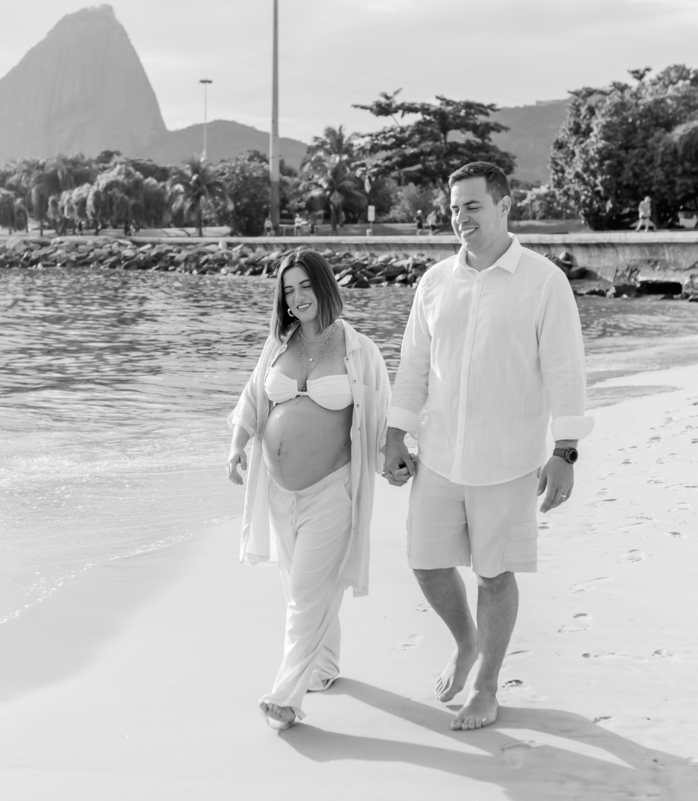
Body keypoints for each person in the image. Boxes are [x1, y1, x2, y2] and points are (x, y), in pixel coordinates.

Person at [382, 161, 594, 731]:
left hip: (509, 460)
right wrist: (393, 433)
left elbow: (565, 371)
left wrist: (565, 450)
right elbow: (414, 368)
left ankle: (487, 685)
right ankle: (465, 642)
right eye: (453, 209)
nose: (460, 219)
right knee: (426, 563)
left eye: (472, 206)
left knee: (495, 574)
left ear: (504, 206)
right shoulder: (434, 282)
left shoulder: (544, 281)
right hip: (440, 456)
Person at [226, 249, 390, 731]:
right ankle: (324, 666)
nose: (297, 298)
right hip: (279, 493)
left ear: (324, 286)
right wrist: (236, 447)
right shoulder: (278, 343)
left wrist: (397, 457)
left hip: (331, 491)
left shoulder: (359, 350)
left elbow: (380, 415)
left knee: (305, 593)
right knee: (305, 585)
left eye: (305, 286)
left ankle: (286, 697)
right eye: (288, 289)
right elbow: (253, 397)